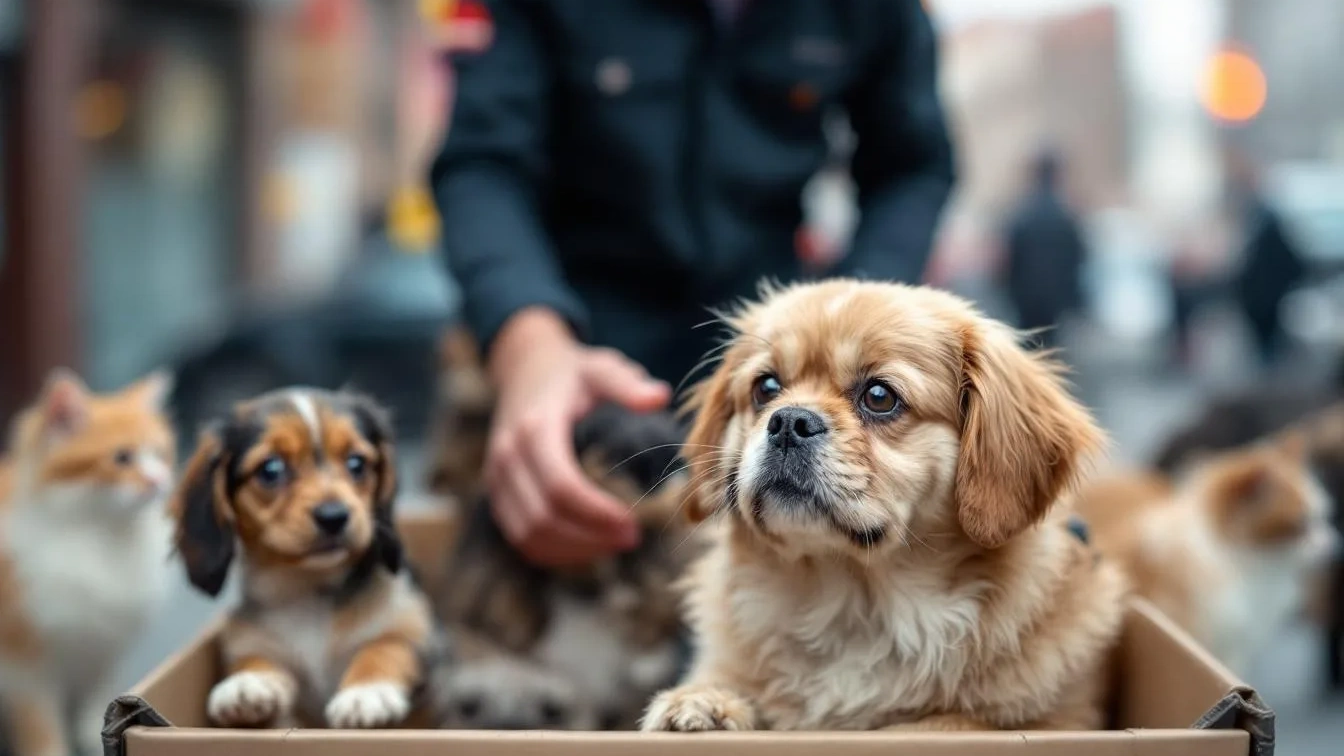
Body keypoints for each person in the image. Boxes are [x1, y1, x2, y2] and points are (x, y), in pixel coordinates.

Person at [432, 0, 955, 567]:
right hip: (565, 356)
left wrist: (851, 327)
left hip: (762, 363)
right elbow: (483, 166)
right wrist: (530, 352)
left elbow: (912, 164)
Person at [1002, 149, 1088, 350]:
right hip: (1056, 301)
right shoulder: (1067, 215)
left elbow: (1010, 258)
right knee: (1053, 351)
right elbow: (1078, 258)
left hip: (1026, 298)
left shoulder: (1022, 213)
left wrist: (1011, 291)